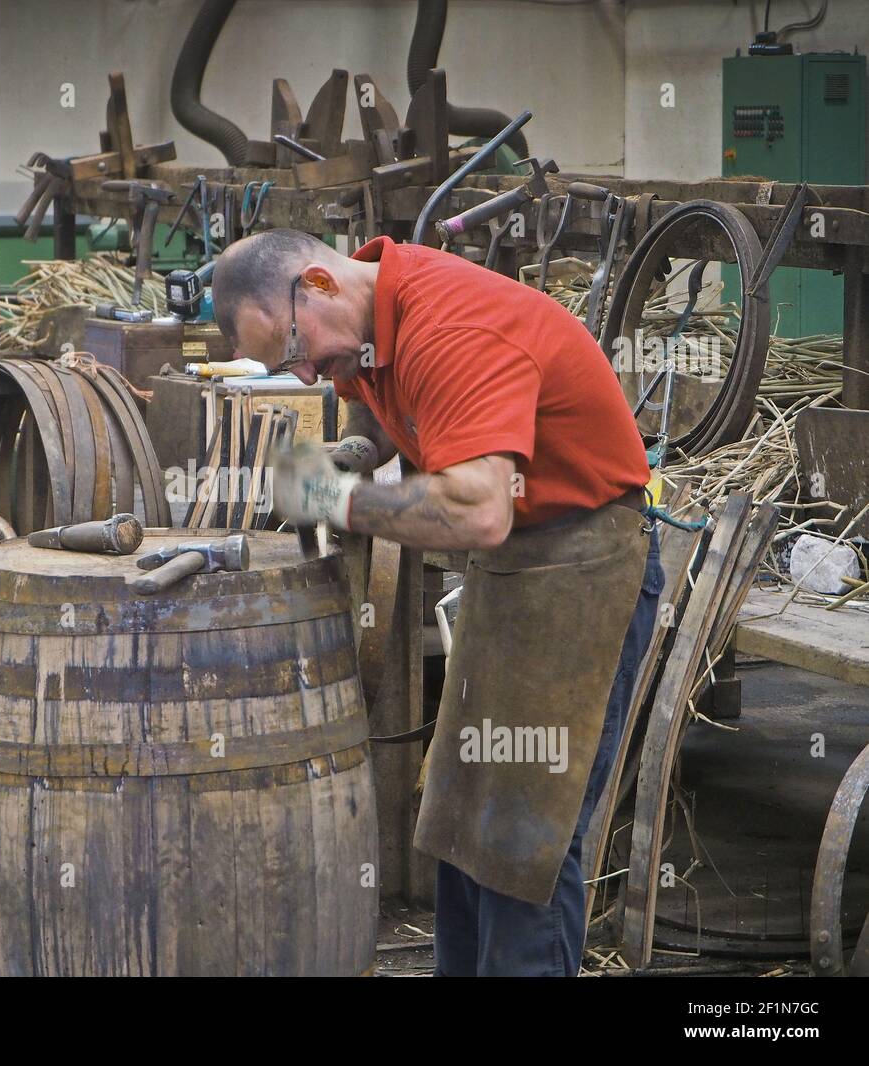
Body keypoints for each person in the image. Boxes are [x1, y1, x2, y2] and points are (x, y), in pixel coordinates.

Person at [209, 228, 665, 976]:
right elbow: (373, 404)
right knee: (462, 830)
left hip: (581, 565)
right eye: (286, 366)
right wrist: (355, 452)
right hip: (512, 575)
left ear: (317, 283)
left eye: (296, 350)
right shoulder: (359, 323)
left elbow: (481, 510)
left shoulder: (449, 327)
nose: (304, 372)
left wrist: (335, 497)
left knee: (524, 847)